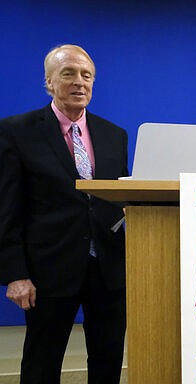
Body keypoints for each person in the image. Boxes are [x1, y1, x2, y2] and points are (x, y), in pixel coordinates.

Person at [0, 44, 128, 383]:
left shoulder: (115, 135)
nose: (79, 82)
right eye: (68, 73)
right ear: (48, 82)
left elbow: (119, 202)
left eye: (87, 75)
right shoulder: (17, 131)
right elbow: (6, 208)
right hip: (48, 273)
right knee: (42, 364)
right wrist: (16, 274)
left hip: (109, 272)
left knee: (109, 358)